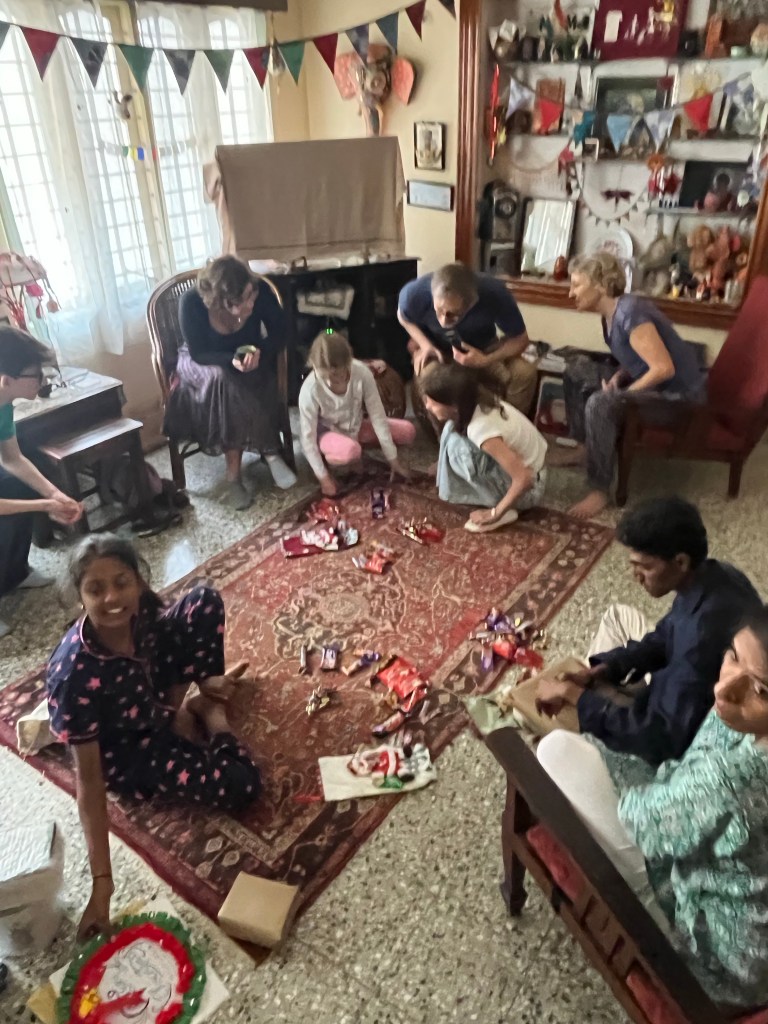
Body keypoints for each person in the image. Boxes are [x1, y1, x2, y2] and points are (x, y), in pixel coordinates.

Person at [537, 607, 768, 1009]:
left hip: (717, 964)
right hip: (742, 920)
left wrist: (609, 743)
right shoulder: (739, 721)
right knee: (617, 620)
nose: (725, 689)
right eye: (732, 655)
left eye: (761, 690)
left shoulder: (731, 780)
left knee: (554, 750)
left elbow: (644, 820)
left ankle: (649, 901)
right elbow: (693, 764)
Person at [46, 535, 261, 940]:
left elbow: (174, 633)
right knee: (243, 785)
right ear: (79, 599)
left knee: (203, 599)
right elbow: (89, 782)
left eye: (121, 582)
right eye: (96, 589)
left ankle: (195, 697)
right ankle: (212, 716)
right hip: (132, 748)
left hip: (154, 695)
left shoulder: (142, 611)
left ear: (139, 581)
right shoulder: (73, 676)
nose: (112, 598)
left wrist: (196, 680)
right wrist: (102, 886)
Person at [535, 497, 761, 764]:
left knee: (547, 737)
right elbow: (666, 635)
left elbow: (660, 737)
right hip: (680, 690)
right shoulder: (717, 575)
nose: (636, 576)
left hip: (669, 738)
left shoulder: (699, 641)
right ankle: (595, 686)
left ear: (680, 562)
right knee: (616, 616)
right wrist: (607, 667)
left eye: (645, 566)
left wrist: (574, 696)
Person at [556, 253, 706, 519]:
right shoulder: (611, 314)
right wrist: (618, 377)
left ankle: (600, 489)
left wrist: (623, 394)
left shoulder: (630, 313)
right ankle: (585, 449)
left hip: (676, 399)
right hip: (654, 386)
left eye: (577, 285)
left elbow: (663, 368)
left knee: (601, 403)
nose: (571, 293)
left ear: (601, 285)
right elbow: (638, 357)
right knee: (576, 370)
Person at [163, 256, 297, 511]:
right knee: (223, 380)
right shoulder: (191, 302)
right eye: (241, 302)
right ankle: (265, 454)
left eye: (251, 296)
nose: (250, 304)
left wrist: (260, 353)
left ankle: (248, 467)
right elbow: (199, 353)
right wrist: (230, 361)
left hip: (246, 360)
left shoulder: (260, 291)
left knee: (243, 380)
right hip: (200, 364)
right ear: (220, 301)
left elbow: (282, 333)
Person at [0, 326, 83, 638]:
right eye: (35, 375)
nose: (42, 381)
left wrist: (53, 493)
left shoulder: (3, 402)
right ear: (6, 380)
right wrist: (46, 505)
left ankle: (14, 573)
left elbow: (12, 459)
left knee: (19, 482)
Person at [397, 262, 538, 416]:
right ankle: (449, 431)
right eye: (439, 310)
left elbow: (521, 339)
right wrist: (425, 345)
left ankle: (506, 423)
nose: (443, 321)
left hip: (483, 348)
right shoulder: (414, 293)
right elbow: (402, 316)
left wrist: (486, 360)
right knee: (430, 380)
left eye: (453, 314)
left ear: (472, 303)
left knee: (524, 373)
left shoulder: (494, 292)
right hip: (439, 351)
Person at [421, 363, 548, 533]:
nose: (427, 406)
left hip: (531, 490)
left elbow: (525, 478)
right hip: (533, 468)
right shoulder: (477, 401)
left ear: (454, 405)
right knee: (451, 430)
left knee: (456, 449)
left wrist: (495, 513)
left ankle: (507, 509)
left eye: (433, 402)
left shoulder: (480, 429)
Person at [298, 331, 414, 497]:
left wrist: (393, 460)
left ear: (349, 362)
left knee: (407, 431)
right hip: (327, 434)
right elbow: (307, 439)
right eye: (327, 376)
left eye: (338, 373)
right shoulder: (310, 390)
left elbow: (377, 416)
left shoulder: (362, 372)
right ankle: (330, 458)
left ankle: (354, 450)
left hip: (355, 426)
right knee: (351, 451)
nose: (334, 380)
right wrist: (324, 478)